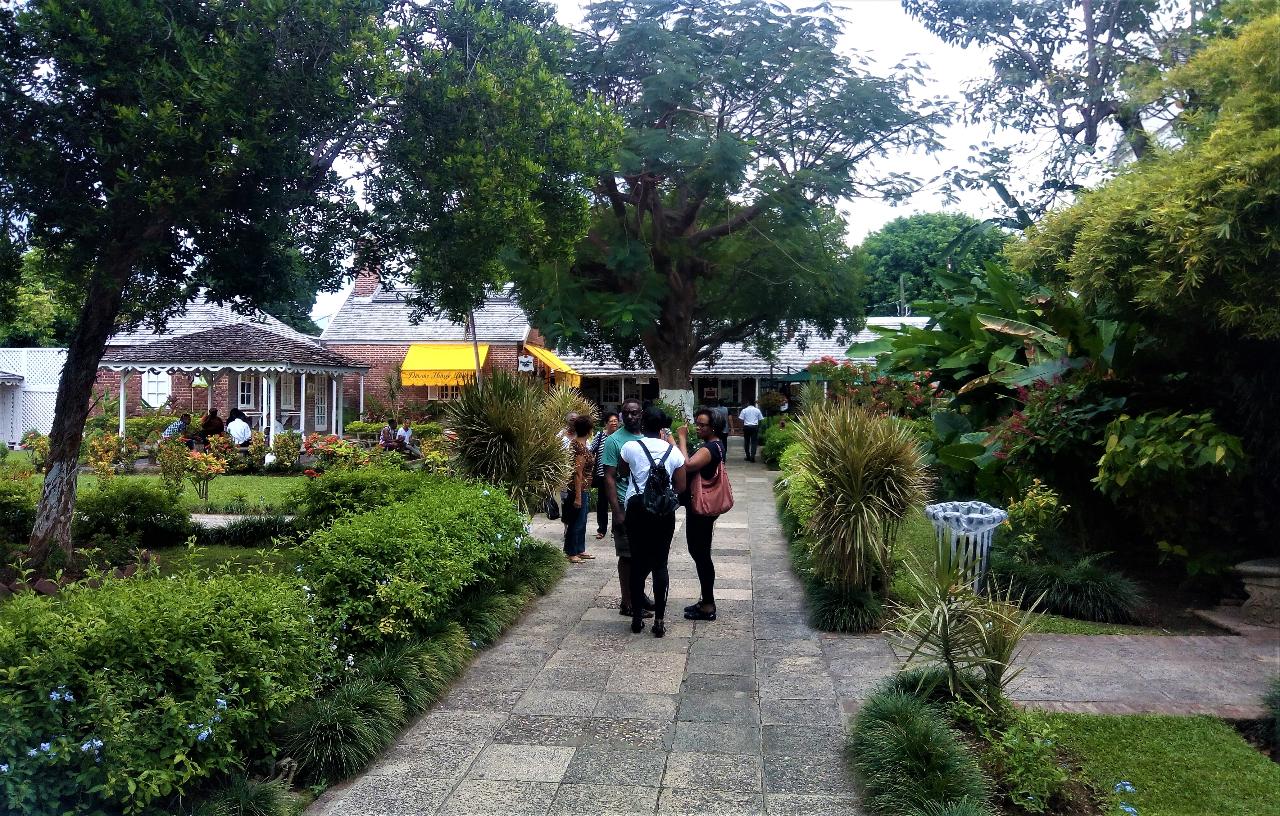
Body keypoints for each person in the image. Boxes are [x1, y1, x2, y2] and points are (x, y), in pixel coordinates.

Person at [617, 406, 686, 637]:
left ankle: (637, 618)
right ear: (663, 427)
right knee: (660, 564)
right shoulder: (673, 452)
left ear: (643, 424)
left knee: (637, 562)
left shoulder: (630, 447)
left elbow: (623, 471)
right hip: (663, 512)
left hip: (636, 507)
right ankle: (659, 620)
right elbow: (681, 486)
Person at [603, 399, 654, 619]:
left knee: (650, 554)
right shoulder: (614, 441)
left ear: (641, 414)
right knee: (627, 556)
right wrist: (617, 511)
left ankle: (638, 593)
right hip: (625, 504)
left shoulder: (647, 438)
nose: (631, 417)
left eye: (635, 413)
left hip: (647, 506)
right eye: (627, 414)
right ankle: (627, 601)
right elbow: (609, 477)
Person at [677, 408, 727, 621]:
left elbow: (687, 465)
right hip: (700, 508)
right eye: (697, 423)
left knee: (701, 554)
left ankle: (708, 604)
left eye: (702, 424)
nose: (698, 427)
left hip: (701, 509)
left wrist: (680, 438)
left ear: (713, 426)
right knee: (699, 553)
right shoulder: (715, 445)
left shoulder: (711, 447)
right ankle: (706, 600)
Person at [562, 415, 596, 563]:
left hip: (584, 488)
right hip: (578, 488)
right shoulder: (579, 447)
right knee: (576, 521)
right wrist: (577, 496)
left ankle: (579, 549)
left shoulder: (580, 444)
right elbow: (578, 472)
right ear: (588, 430)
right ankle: (571, 551)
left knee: (582, 521)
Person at [592, 412, 619, 540]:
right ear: (606, 423)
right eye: (611, 421)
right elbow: (592, 450)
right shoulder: (600, 435)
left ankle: (615, 529)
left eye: (616, 421)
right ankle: (601, 529)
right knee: (602, 503)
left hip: (617, 475)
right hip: (602, 474)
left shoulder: (620, 436)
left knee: (616, 502)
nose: (614, 423)